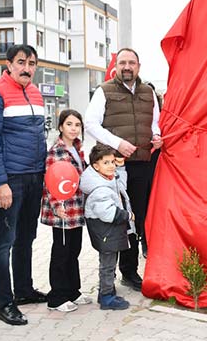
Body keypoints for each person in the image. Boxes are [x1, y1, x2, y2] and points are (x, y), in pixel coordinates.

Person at [0, 44, 47, 326]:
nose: (26, 68)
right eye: (21, 62)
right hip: (10, 179)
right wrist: (0, 183)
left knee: (27, 237)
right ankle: (4, 303)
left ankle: (24, 290)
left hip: (35, 176)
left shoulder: (35, 92)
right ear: (9, 64)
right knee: (3, 241)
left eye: (31, 63)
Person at [85, 48, 161, 291]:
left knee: (136, 218)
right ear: (116, 66)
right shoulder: (104, 91)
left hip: (143, 164)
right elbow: (90, 123)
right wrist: (117, 144)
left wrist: (157, 136)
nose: (127, 67)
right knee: (116, 218)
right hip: (114, 168)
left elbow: (155, 123)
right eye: (122, 63)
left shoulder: (149, 92)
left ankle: (129, 272)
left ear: (138, 66)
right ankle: (108, 276)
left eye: (131, 63)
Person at [40, 109, 94, 312]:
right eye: (69, 124)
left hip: (77, 208)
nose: (74, 128)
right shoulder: (57, 150)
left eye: (77, 125)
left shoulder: (78, 148)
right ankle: (57, 297)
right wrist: (56, 206)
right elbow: (51, 178)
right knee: (61, 252)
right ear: (61, 126)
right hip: (63, 209)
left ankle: (73, 291)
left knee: (74, 250)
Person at [79, 144, 135, 311]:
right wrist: (127, 215)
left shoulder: (109, 177)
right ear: (96, 166)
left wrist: (121, 166)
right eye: (106, 163)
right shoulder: (99, 188)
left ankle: (106, 291)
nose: (111, 166)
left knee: (109, 263)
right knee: (108, 265)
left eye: (112, 162)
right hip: (106, 231)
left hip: (110, 232)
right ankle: (106, 297)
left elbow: (121, 184)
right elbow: (108, 214)